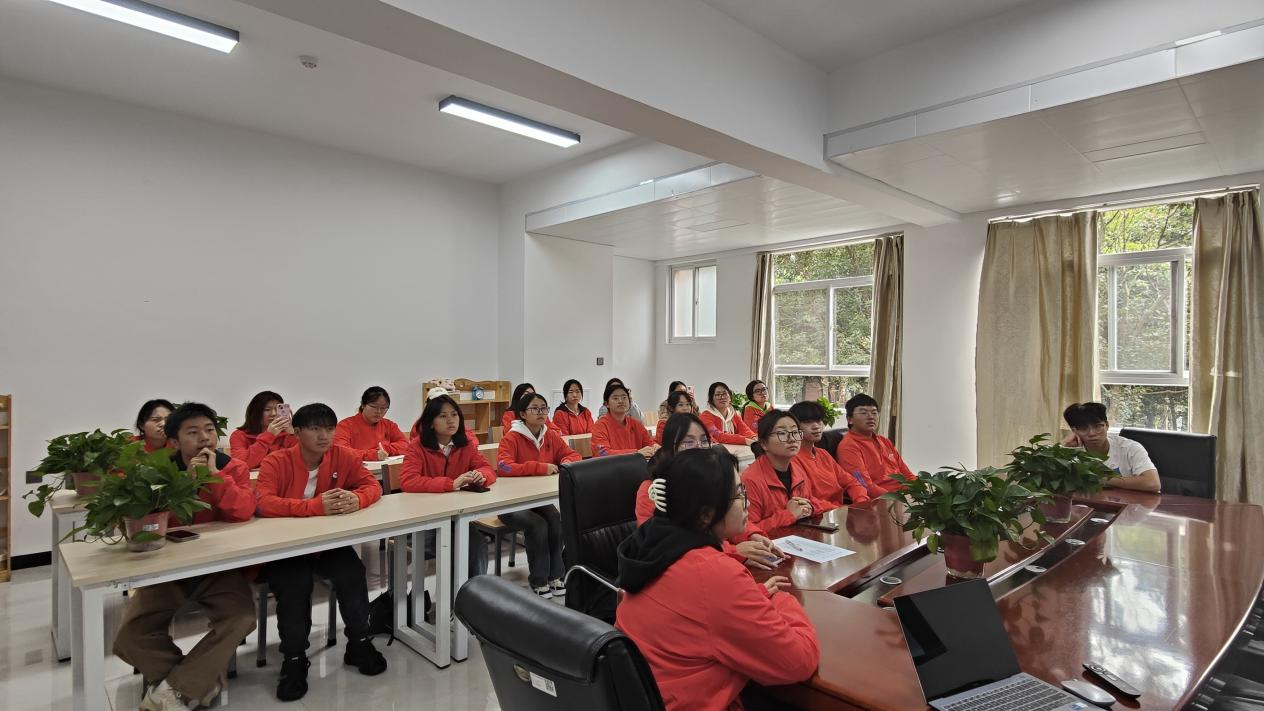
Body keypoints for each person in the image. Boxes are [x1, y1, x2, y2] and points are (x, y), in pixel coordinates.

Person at [616, 447, 820, 711]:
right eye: (739, 493)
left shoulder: (652, 545)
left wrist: (751, 595)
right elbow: (798, 662)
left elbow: (696, 610)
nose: (746, 502)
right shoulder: (711, 573)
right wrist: (782, 601)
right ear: (705, 514)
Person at [113, 403, 256, 711]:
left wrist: (215, 478)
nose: (204, 439)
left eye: (209, 431)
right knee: (129, 636)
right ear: (174, 442)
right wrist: (185, 485)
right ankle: (197, 683)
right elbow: (143, 524)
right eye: (193, 433)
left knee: (242, 618)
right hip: (167, 569)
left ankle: (177, 689)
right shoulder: (155, 472)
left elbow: (244, 510)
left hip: (219, 566)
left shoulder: (232, 467)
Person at [256, 403, 387, 701]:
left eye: (329, 428)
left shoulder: (344, 456)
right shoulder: (276, 461)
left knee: (352, 573)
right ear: (298, 432)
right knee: (294, 584)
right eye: (315, 428)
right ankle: (294, 659)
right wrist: (313, 507)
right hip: (287, 547)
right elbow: (262, 502)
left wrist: (357, 499)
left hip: (327, 544)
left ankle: (359, 642)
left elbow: (371, 485)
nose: (324, 435)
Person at [638, 413, 783, 571]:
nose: (700, 447)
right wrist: (734, 551)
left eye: (704, 441)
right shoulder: (653, 490)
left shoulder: (711, 480)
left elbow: (725, 516)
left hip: (716, 562)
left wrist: (752, 535)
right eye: (688, 442)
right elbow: (663, 545)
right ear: (670, 448)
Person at [401, 394, 497, 576]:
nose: (450, 420)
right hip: (426, 519)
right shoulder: (417, 446)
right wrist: (451, 484)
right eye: (443, 416)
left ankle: (472, 596)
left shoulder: (465, 444)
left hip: (457, 516)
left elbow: (487, 468)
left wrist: (480, 475)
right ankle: (458, 598)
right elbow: (408, 481)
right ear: (430, 422)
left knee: (475, 543)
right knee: (458, 546)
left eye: (454, 415)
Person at [496, 391, 578, 597]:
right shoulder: (512, 437)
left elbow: (571, 454)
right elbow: (504, 467)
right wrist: (539, 467)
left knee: (556, 518)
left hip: (537, 500)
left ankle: (556, 576)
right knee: (537, 524)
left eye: (544, 408)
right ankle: (539, 579)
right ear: (523, 413)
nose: (541, 412)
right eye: (535, 408)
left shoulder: (549, 434)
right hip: (511, 503)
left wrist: (567, 461)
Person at [742, 410, 835, 531]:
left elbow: (809, 501)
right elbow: (745, 531)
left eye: (795, 432)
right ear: (764, 443)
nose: (792, 439)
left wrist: (812, 507)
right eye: (782, 433)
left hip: (800, 538)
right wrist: (789, 515)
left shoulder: (797, 470)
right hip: (770, 546)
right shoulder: (750, 480)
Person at [1061, 402, 1161, 493]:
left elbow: (1153, 483)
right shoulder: (1071, 451)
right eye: (1083, 428)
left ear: (1107, 425)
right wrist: (1064, 446)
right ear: (1074, 431)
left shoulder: (1130, 448)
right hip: (1087, 505)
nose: (1092, 433)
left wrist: (1100, 478)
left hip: (1129, 506)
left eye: (1097, 426)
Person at [788, 400, 870, 507]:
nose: (816, 426)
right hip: (816, 517)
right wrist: (839, 509)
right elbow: (804, 501)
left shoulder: (823, 454)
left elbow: (852, 482)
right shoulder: (792, 459)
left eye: (819, 421)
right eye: (808, 422)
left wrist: (861, 501)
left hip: (837, 514)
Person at [834, 394, 915, 494]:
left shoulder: (884, 441)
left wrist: (921, 491)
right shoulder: (848, 447)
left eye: (874, 413)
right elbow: (865, 485)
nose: (871, 417)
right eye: (863, 413)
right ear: (850, 419)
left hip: (904, 495)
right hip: (882, 500)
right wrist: (893, 499)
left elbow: (906, 473)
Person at [334, 386, 410, 462]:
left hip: (384, 470)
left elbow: (405, 444)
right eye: (374, 407)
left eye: (383, 408)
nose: (379, 412)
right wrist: (372, 454)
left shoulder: (389, 425)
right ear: (363, 405)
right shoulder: (345, 425)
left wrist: (385, 449)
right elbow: (341, 451)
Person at [229, 390, 297, 469]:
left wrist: (292, 433)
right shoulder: (238, 435)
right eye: (267, 409)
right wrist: (268, 436)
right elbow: (241, 464)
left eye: (277, 409)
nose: (273, 414)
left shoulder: (287, 434)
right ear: (255, 413)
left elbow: (302, 461)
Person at [592, 381, 659, 458]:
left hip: (635, 467)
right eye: (615, 398)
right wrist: (636, 453)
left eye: (624, 397)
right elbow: (603, 453)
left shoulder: (636, 424)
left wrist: (655, 447)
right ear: (606, 404)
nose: (621, 401)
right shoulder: (599, 426)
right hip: (610, 468)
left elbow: (649, 443)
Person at [699, 382, 757, 446]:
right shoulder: (705, 416)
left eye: (725, 393)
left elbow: (744, 429)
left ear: (730, 397)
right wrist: (745, 440)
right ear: (711, 399)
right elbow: (717, 435)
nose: (722, 397)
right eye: (717, 395)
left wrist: (753, 437)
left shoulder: (733, 413)